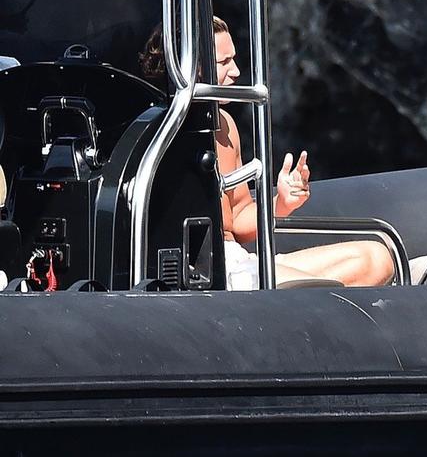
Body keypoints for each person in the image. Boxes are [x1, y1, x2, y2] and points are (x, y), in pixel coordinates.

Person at [141, 18, 394, 288]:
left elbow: (238, 217)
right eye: (224, 62)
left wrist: (282, 202)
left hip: (239, 260)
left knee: (377, 259)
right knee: (316, 290)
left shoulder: (225, 124)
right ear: (194, 69)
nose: (236, 71)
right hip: (208, 273)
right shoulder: (159, 132)